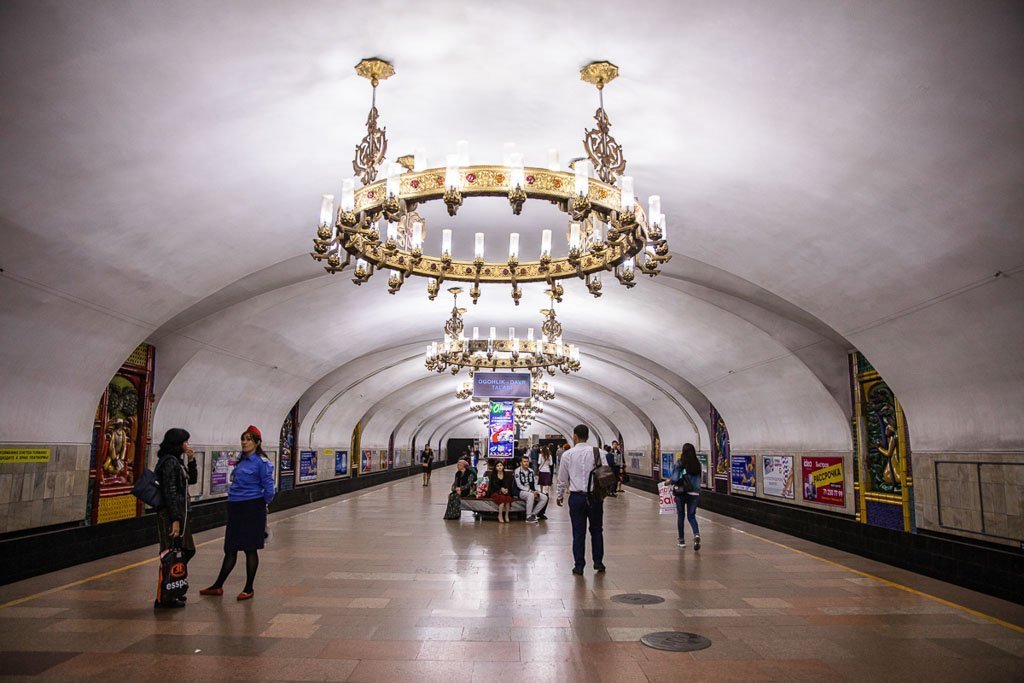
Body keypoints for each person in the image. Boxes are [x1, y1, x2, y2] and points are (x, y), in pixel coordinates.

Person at [201, 425, 275, 600]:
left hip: (252, 508)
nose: (244, 442)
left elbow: (270, 489)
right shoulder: (241, 461)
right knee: (231, 548)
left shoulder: (262, 463)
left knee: (250, 549)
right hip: (235, 508)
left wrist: (260, 504)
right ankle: (217, 586)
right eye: (243, 439)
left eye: (249, 439)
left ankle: (248, 588)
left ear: (257, 443)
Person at [153, 427, 198, 609]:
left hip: (179, 513)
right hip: (171, 515)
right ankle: (164, 596)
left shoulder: (177, 461)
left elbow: (192, 480)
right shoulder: (169, 463)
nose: (187, 445)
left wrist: (192, 460)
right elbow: (169, 492)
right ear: (177, 443)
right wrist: (176, 520)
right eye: (185, 442)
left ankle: (173, 586)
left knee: (184, 550)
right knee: (170, 554)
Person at [556, 424, 605, 575]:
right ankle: (598, 562)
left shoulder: (568, 455)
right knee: (597, 530)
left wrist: (559, 495)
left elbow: (562, 477)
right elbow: (606, 474)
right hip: (595, 497)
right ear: (588, 436)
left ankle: (579, 565)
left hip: (576, 497)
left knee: (578, 533)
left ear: (575, 436)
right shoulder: (599, 453)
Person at [666, 443, 702, 550]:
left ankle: (681, 541)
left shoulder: (680, 463)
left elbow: (675, 478)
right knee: (691, 516)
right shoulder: (697, 464)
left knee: (681, 516)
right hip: (694, 493)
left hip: (681, 493)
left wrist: (668, 482)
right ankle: (696, 534)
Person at [513, 455, 548, 522]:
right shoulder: (517, 471)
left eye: (527, 461)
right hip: (520, 491)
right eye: (524, 462)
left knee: (544, 497)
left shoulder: (531, 471)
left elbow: (534, 483)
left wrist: (536, 491)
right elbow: (519, 485)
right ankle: (528, 516)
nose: (526, 463)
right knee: (530, 495)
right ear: (521, 463)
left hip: (531, 490)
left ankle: (533, 514)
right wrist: (530, 491)